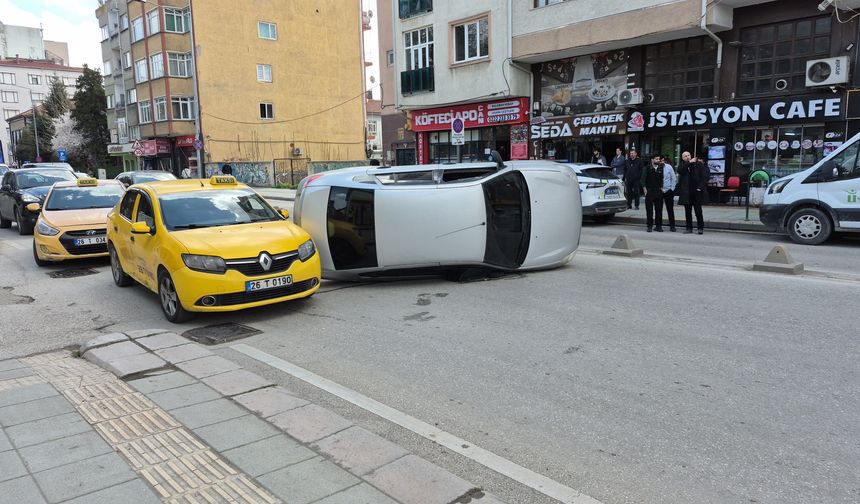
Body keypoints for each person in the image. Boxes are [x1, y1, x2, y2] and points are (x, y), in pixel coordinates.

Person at [677, 151, 708, 234]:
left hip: (696, 191)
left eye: (688, 155)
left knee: (698, 211)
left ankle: (700, 228)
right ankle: (689, 228)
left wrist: (700, 188)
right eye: (685, 156)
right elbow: (680, 171)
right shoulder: (682, 165)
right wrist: (689, 163)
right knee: (688, 211)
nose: (687, 157)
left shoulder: (698, 164)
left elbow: (704, 177)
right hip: (687, 192)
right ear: (682, 158)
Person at [641, 154, 665, 232]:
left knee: (659, 210)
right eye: (656, 159)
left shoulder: (660, 168)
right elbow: (643, 179)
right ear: (652, 160)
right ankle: (649, 226)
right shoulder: (647, 168)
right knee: (649, 210)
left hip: (658, 191)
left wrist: (661, 188)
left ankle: (659, 226)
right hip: (650, 191)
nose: (658, 160)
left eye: (659, 159)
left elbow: (662, 178)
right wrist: (645, 189)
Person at [660, 155, 678, 232]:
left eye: (662, 160)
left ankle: (672, 226)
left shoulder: (669, 167)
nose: (661, 162)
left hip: (668, 190)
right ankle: (659, 226)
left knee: (670, 209)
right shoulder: (656, 168)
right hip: (659, 191)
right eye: (660, 160)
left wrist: (672, 189)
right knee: (659, 209)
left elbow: (673, 178)